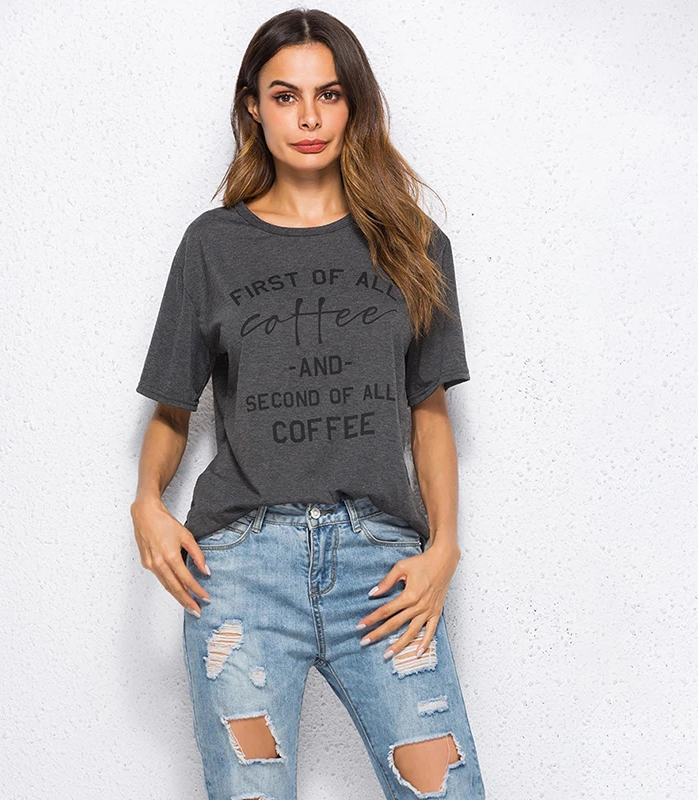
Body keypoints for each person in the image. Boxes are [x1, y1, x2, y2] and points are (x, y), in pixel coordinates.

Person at [130, 8, 486, 799]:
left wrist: (444, 548)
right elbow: (172, 409)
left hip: (381, 570)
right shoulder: (212, 246)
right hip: (241, 570)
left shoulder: (413, 243)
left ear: (354, 103)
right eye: (285, 96)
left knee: (447, 789)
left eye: (329, 94)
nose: (310, 118)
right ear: (253, 107)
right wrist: (148, 502)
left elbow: (429, 414)